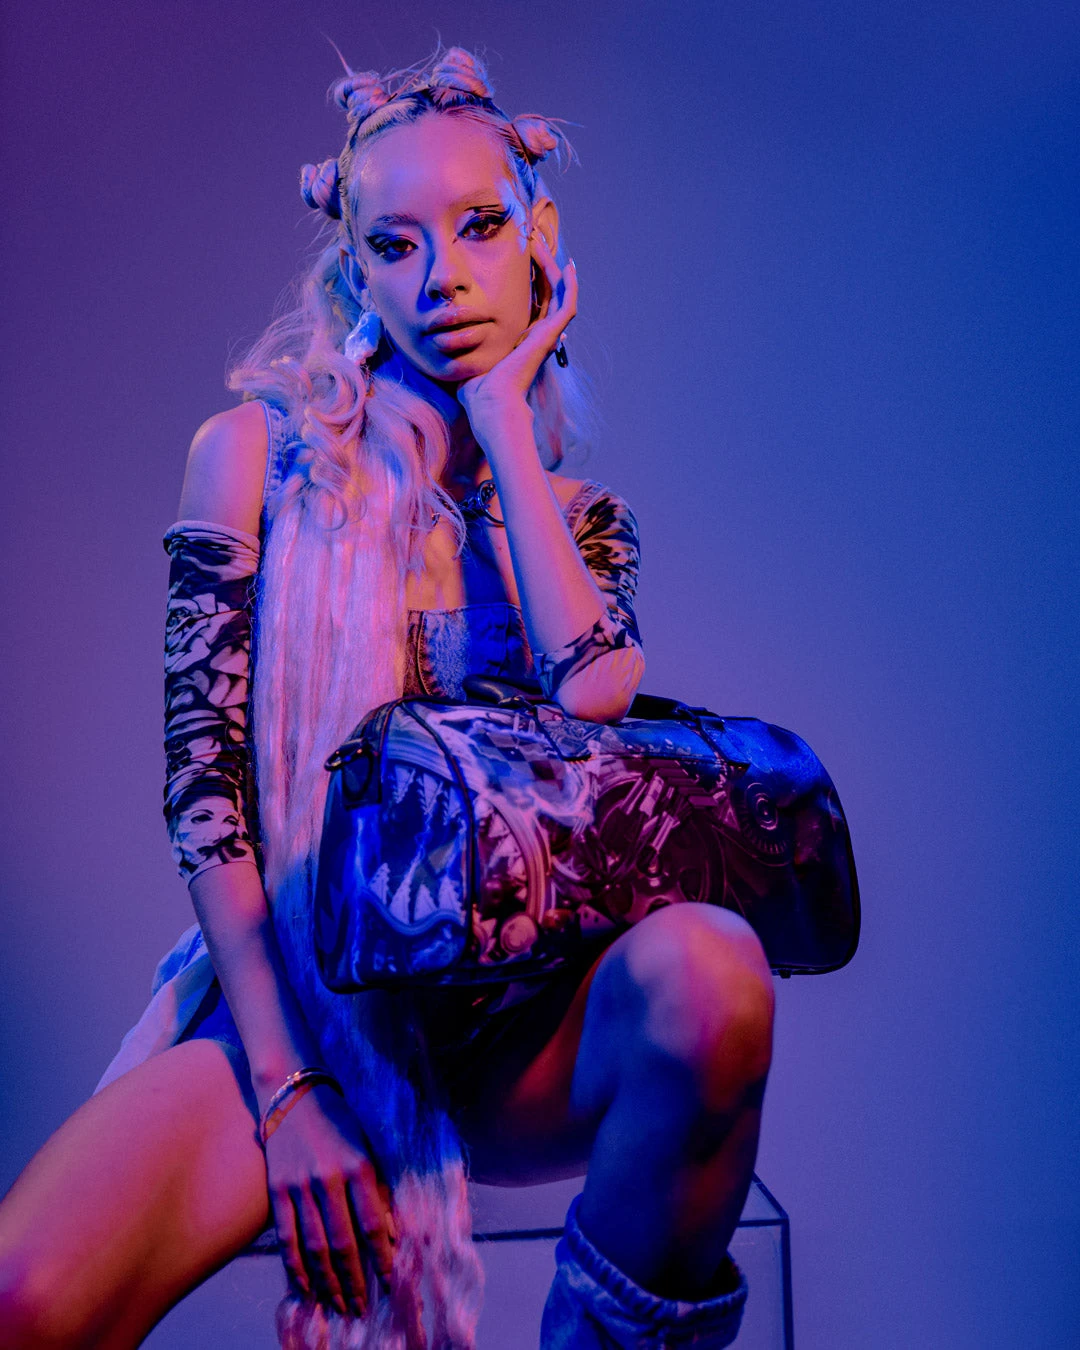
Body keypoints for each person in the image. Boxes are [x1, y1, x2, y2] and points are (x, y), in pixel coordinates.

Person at [0, 46, 775, 1350]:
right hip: (306, 1003)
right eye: (396, 245)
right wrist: (290, 1090)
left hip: (517, 1023)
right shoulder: (250, 462)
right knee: (25, 1299)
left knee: (716, 971)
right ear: (355, 271)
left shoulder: (574, 519)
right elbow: (205, 799)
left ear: (540, 245)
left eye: (480, 229)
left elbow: (596, 690)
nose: (443, 278)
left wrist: (505, 421)